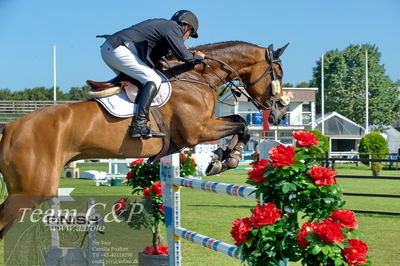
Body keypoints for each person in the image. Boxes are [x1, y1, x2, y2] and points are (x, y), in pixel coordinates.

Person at [97, 10, 205, 139]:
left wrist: (183, 51)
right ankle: (139, 124)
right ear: (186, 27)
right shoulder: (174, 27)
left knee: (139, 82)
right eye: (189, 35)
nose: (186, 38)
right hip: (119, 50)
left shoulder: (166, 27)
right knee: (153, 79)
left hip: (113, 49)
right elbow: (183, 56)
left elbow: (163, 54)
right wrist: (198, 57)